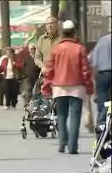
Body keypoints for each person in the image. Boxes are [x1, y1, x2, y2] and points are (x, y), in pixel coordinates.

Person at [41, 20, 93, 154]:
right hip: (77, 86)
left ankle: (62, 142)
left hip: (58, 86)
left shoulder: (56, 49)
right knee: (75, 116)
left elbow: (50, 69)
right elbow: (86, 70)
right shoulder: (80, 49)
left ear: (62, 33)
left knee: (61, 115)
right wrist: (89, 86)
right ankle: (72, 146)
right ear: (74, 32)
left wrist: (46, 85)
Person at [90, 33, 111, 123]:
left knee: (102, 102)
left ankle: (101, 125)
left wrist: (94, 81)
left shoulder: (101, 41)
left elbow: (94, 63)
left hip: (102, 74)